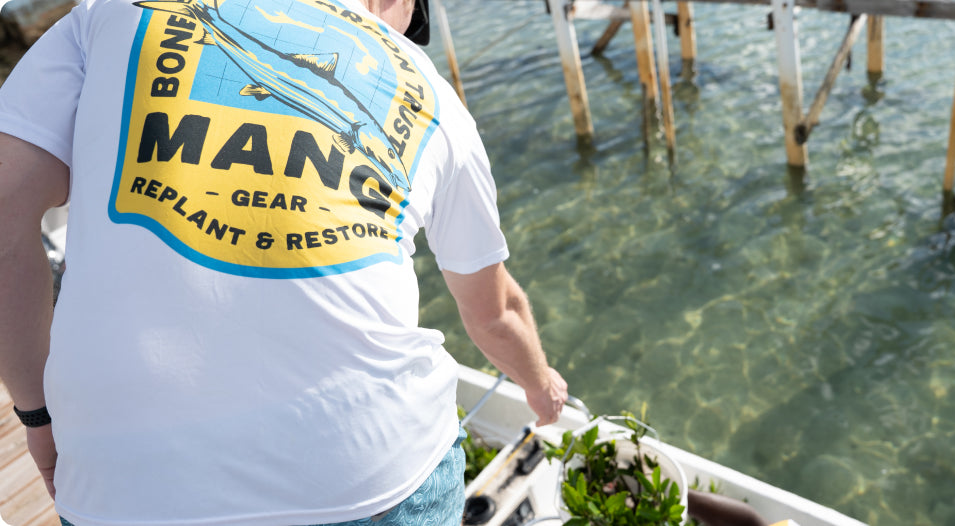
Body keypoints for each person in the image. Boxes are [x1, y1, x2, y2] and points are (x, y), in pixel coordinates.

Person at [0, 0, 569, 524]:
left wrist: (37, 414)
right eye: (410, 23)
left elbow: (5, 215)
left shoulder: (113, 12)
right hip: (375, 469)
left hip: (119, 483)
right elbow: (494, 313)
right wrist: (540, 387)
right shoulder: (433, 94)